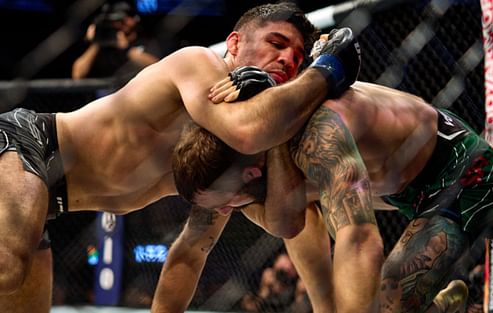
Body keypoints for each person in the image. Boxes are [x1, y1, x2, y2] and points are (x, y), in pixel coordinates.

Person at [0, 2, 366, 312]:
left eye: (298, 57)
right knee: (7, 268)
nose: (287, 59)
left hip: (49, 200)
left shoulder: (233, 156)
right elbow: (247, 127)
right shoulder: (198, 64)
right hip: (29, 145)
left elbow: (194, 250)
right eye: (276, 43)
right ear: (234, 43)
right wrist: (325, 70)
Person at [163, 71, 493, 312]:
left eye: (226, 203)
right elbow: (292, 224)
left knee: (385, 300)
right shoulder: (256, 158)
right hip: (402, 185)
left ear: (249, 172)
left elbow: (357, 237)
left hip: (460, 171)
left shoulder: (316, 138)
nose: (224, 212)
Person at [71, 1, 160, 80]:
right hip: (108, 94)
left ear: (134, 19)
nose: (119, 24)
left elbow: (156, 67)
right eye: (116, 21)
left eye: (124, 19)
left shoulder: (145, 41)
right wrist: (97, 42)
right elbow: (77, 75)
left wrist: (126, 49)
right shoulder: (103, 46)